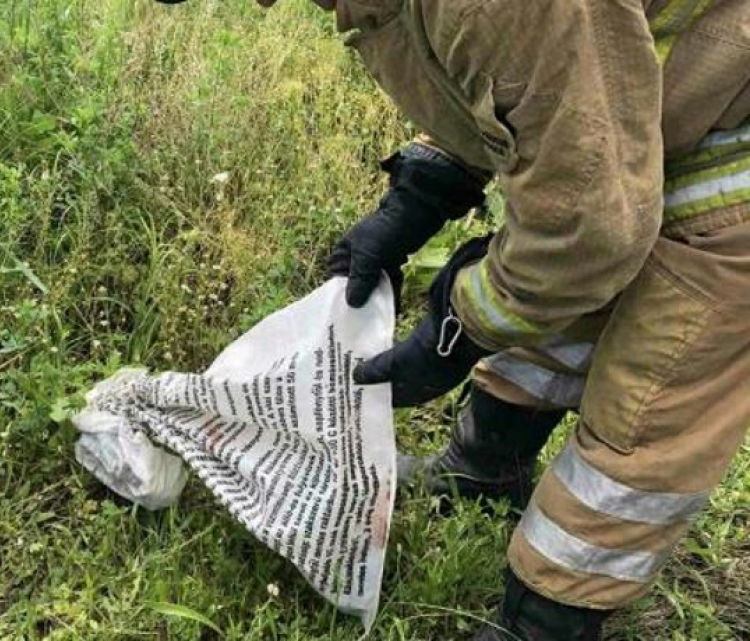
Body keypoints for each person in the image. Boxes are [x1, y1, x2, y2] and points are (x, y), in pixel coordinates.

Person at [162, 0, 750, 638]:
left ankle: (544, 623)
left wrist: (460, 329)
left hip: (731, 162)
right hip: (650, 125)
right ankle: (486, 468)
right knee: (552, 297)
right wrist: (423, 189)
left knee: (646, 406)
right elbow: (529, 75)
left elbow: (590, 228)